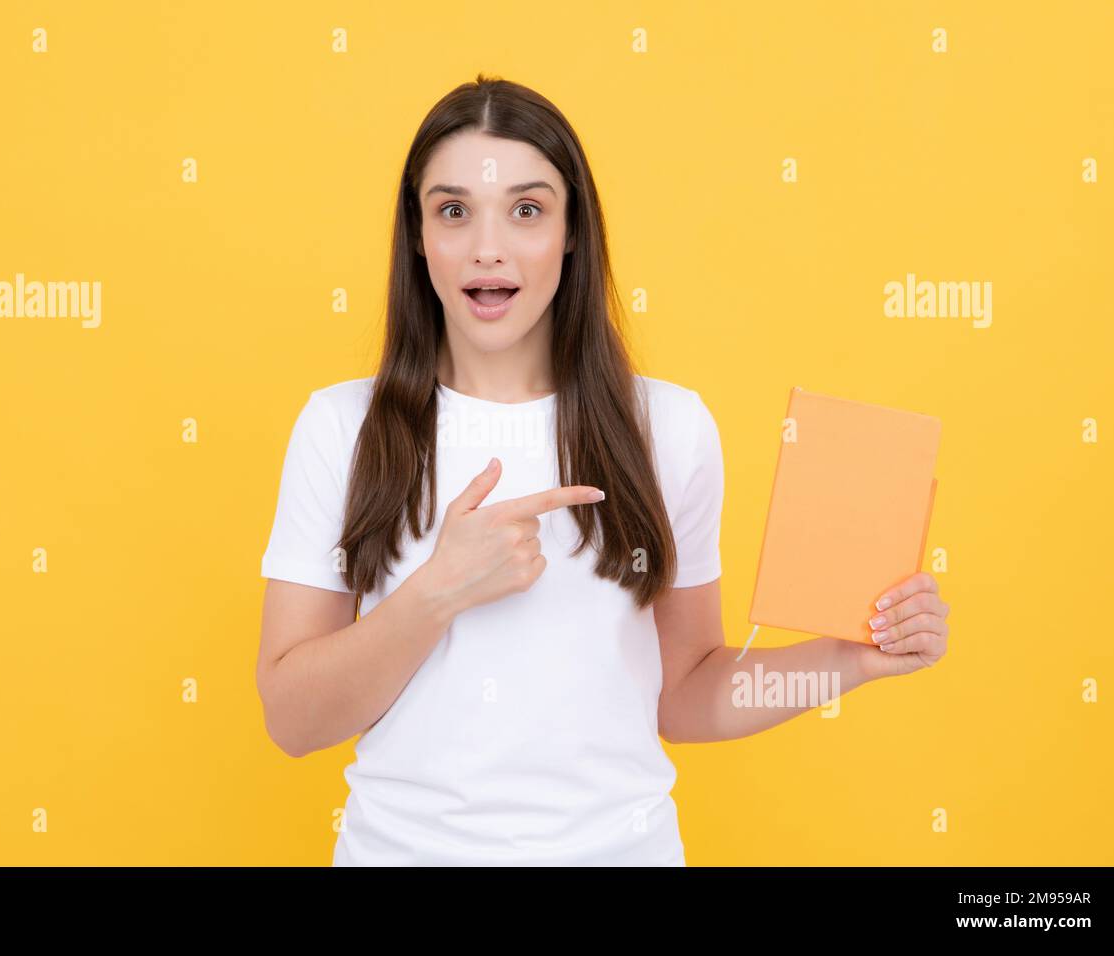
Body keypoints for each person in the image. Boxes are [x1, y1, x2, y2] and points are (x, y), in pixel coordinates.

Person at [254, 74, 951, 866]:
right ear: (417, 236)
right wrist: (436, 593)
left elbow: (685, 691)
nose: (489, 246)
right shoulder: (341, 428)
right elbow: (293, 721)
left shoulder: (669, 428)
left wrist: (849, 660)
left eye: (527, 210)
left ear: (572, 231)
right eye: (453, 210)